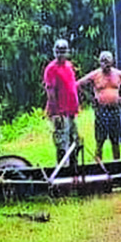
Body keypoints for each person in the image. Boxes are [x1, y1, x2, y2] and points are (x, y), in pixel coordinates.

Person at [76, 50, 121, 161]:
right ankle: (99, 165)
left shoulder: (118, 74)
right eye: (102, 61)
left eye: (107, 60)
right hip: (101, 110)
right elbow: (78, 85)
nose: (104, 63)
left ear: (112, 61)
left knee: (115, 141)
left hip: (114, 110)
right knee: (100, 141)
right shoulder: (95, 74)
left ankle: (116, 164)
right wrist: (91, 98)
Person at [43, 39, 80, 167]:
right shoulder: (51, 69)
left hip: (71, 111)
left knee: (75, 141)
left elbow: (72, 86)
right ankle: (63, 171)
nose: (60, 54)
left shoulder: (69, 66)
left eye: (63, 51)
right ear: (54, 52)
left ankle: (74, 169)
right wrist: (55, 113)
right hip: (60, 112)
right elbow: (50, 91)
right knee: (62, 144)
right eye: (58, 51)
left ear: (67, 52)